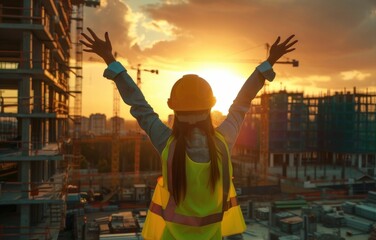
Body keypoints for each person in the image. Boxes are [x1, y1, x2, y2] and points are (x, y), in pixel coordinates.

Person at [80, 28, 297, 240]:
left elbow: (140, 107)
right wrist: (269, 62)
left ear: (173, 109)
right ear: (210, 107)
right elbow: (242, 103)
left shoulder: (168, 144)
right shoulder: (223, 142)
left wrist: (110, 60)